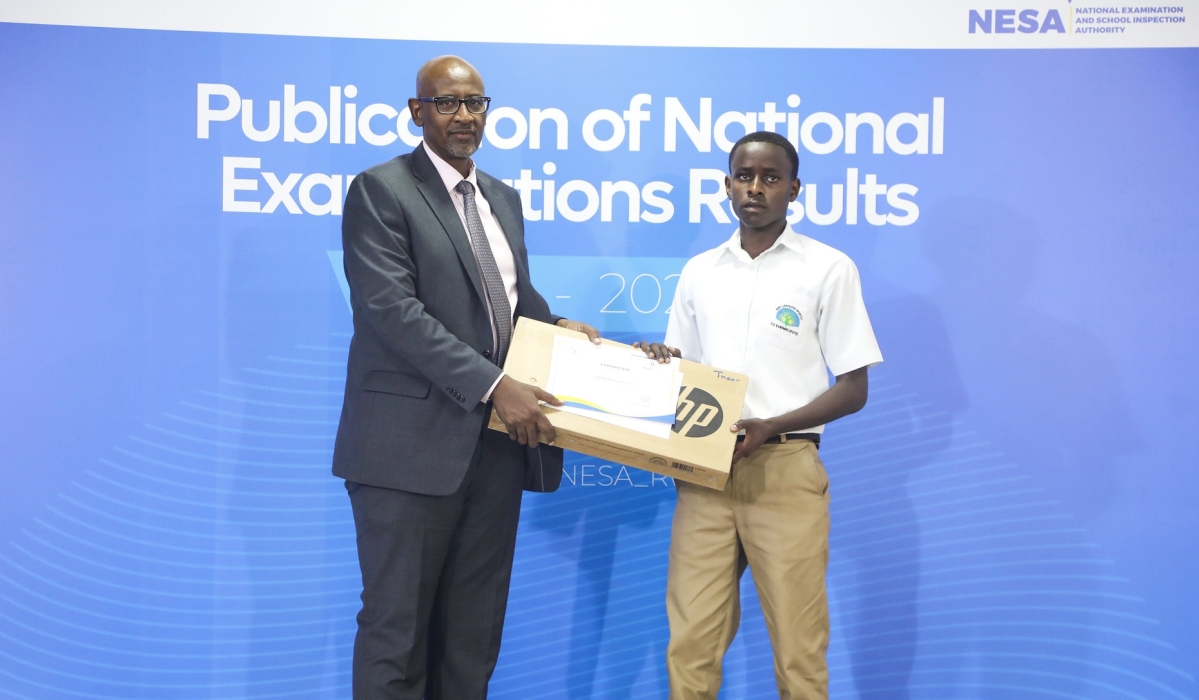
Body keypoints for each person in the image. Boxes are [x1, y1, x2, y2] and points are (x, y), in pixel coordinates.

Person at [332, 55, 598, 699]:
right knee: (397, 631)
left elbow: (508, 302)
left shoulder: (500, 198)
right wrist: (494, 384)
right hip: (407, 449)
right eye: (447, 103)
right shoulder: (382, 188)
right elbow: (392, 311)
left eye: (475, 103)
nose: (463, 116)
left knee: (473, 633)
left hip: (496, 449)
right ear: (417, 111)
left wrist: (564, 328)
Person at [636, 131, 883, 699]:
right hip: (706, 475)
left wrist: (774, 424)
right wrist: (657, 365)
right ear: (727, 186)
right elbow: (685, 373)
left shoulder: (828, 268)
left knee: (799, 651)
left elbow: (854, 387)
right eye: (744, 176)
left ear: (794, 189)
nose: (755, 188)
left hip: (786, 468)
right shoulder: (700, 270)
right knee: (691, 645)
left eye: (771, 178)